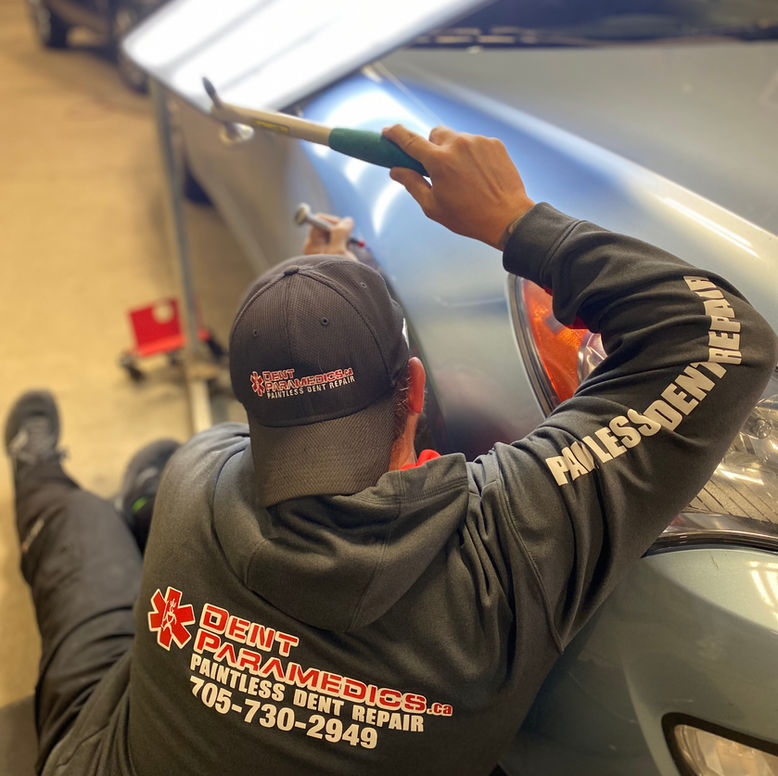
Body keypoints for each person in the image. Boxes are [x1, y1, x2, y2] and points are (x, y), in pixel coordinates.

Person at [5, 125, 776, 776]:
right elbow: (718, 333)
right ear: (415, 388)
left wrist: (313, 294)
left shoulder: (199, 476)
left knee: (79, 551)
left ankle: (37, 468)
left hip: (106, 749)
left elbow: (283, 415)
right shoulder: (503, 557)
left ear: (250, 407)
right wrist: (514, 218)